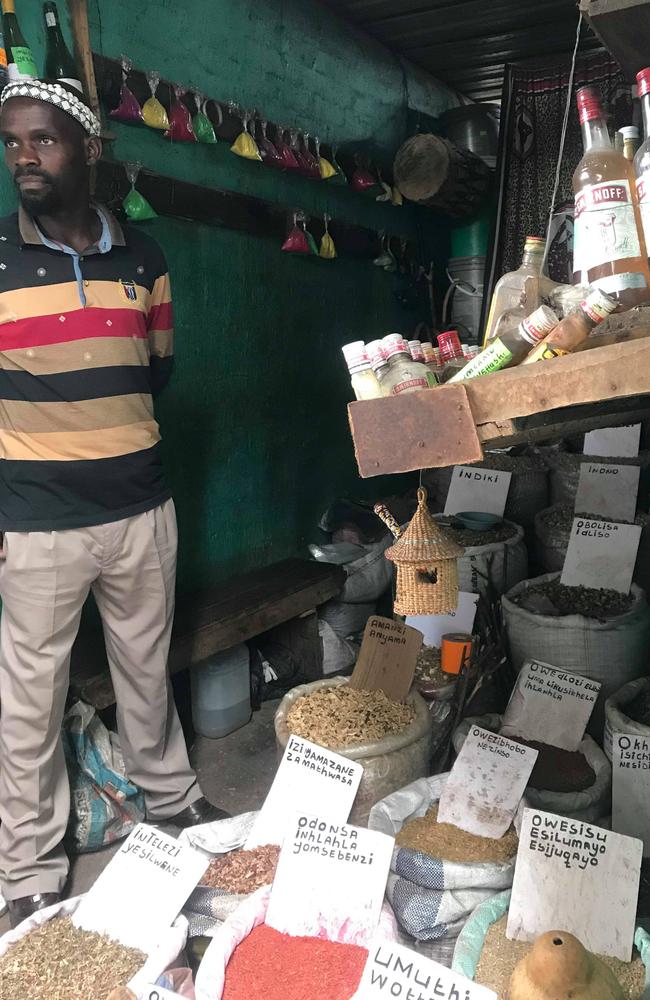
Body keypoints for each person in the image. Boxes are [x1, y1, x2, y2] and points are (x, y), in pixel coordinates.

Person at [0, 79, 227, 928]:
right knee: (28, 701)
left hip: (139, 508)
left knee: (146, 671)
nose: (24, 157)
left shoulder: (144, 259)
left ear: (89, 150)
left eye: (43, 141)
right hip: (34, 521)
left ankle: (170, 800)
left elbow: (154, 368)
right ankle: (28, 865)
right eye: (13, 143)